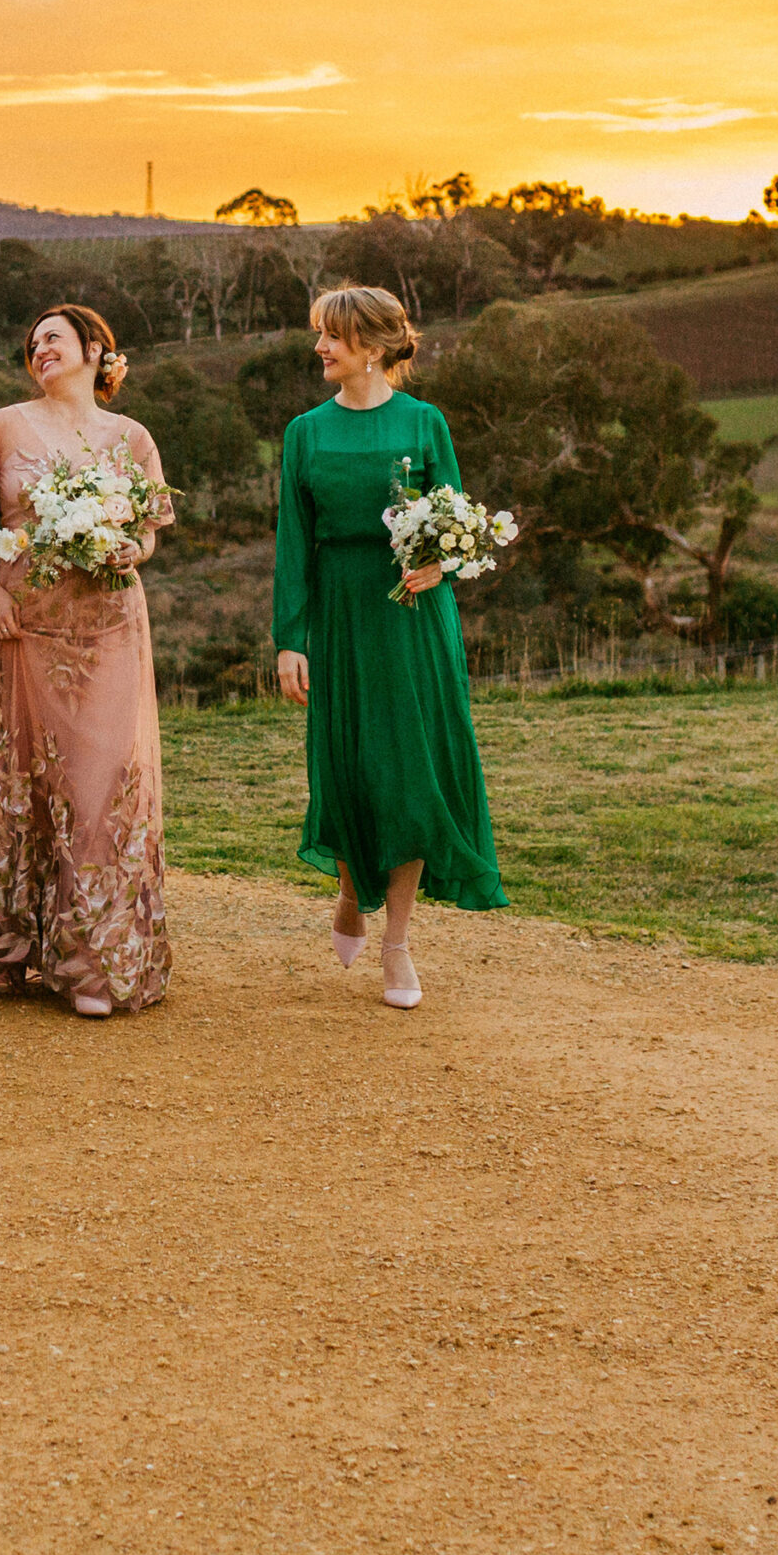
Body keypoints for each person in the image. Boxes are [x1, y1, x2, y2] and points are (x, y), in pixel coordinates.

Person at [273, 283, 506, 1010]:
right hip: (339, 616)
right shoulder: (303, 433)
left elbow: (458, 524)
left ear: (370, 348)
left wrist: (441, 563)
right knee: (349, 767)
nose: (319, 348)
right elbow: (292, 545)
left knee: (407, 772)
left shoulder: (425, 423)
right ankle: (349, 893)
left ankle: (397, 944)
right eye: (320, 335)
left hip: (410, 616)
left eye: (331, 338)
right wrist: (289, 641)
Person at [0, 305, 173, 1017]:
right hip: (27, 628)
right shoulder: (2, 428)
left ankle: (92, 963)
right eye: (31, 343)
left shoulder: (132, 437)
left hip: (109, 623)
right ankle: (23, 948)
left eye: (53, 337)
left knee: (97, 787)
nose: (38, 349)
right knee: (33, 782)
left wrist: (126, 549)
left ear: (94, 349)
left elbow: (147, 532)